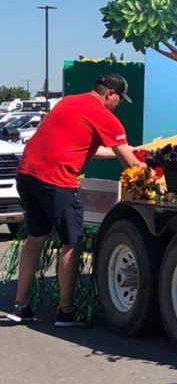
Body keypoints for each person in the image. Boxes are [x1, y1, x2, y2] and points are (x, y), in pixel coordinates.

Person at [6, 73, 145, 326]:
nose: (118, 105)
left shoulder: (69, 102)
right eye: (120, 100)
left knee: (36, 237)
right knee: (72, 242)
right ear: (109, 94)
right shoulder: (105, 116)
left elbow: (87, 146)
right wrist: (146, 167)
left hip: (26, 175)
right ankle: (65, 312)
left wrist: (120, 150)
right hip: (57, 180)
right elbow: (131, 164)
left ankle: (20, 303)